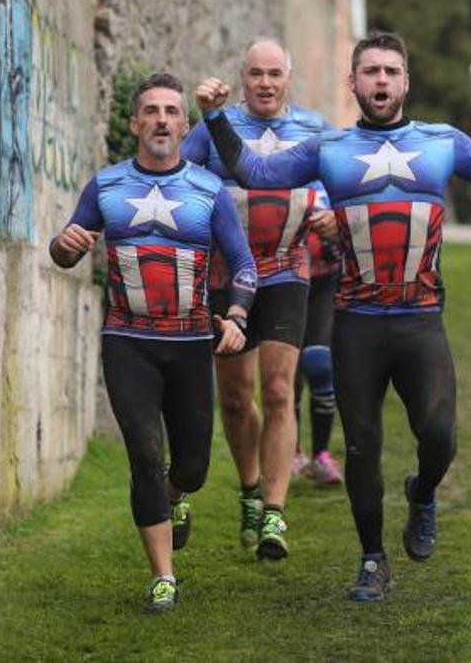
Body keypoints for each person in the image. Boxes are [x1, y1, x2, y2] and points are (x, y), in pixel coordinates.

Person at [195, 31, 471, 602]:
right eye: (369, 71)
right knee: (362, 446)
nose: (380, 80)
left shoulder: (440, 141)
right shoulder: (329, 148)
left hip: (421, 320)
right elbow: (256, 173)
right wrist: (216, 118)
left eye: (390, 71)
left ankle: (422, 493)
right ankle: (373, 559)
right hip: (357, 321)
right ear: (352, 83)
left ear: (405, 82)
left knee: (440, 438)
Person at [49, 72, 256, 613]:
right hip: (127, 342)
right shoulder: (106, 185)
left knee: (192, 467)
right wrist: (63, 246)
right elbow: (68, 248)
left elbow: (244, 266)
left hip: (190, 344)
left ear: (185, 126)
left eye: (171, 111)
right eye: (152, 111)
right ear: (134, 123)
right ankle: (164, 577)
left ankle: (177, 495)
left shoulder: (209, 191)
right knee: (144, 454)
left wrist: (235, 315)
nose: (162, 119)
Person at [182, 38, 328, 560]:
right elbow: (178, 179)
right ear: (242, 79)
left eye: (274, 74)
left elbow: (335, 183)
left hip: (288, 265)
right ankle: (248, 490)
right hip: (226, 271)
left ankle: (273, 512)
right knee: (237, 398)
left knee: (280, 390)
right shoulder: (213, 127)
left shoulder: (314, 128)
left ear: (289, 78)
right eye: (255, 74)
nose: (265, 83)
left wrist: (330, 214)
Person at [291, 190, 345, 486]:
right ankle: (292, 451)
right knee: (287, 373)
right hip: (285, 278)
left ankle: (321, 455)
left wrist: (338, 219)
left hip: (326, 279)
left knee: (320, 362)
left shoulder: (337, 157)